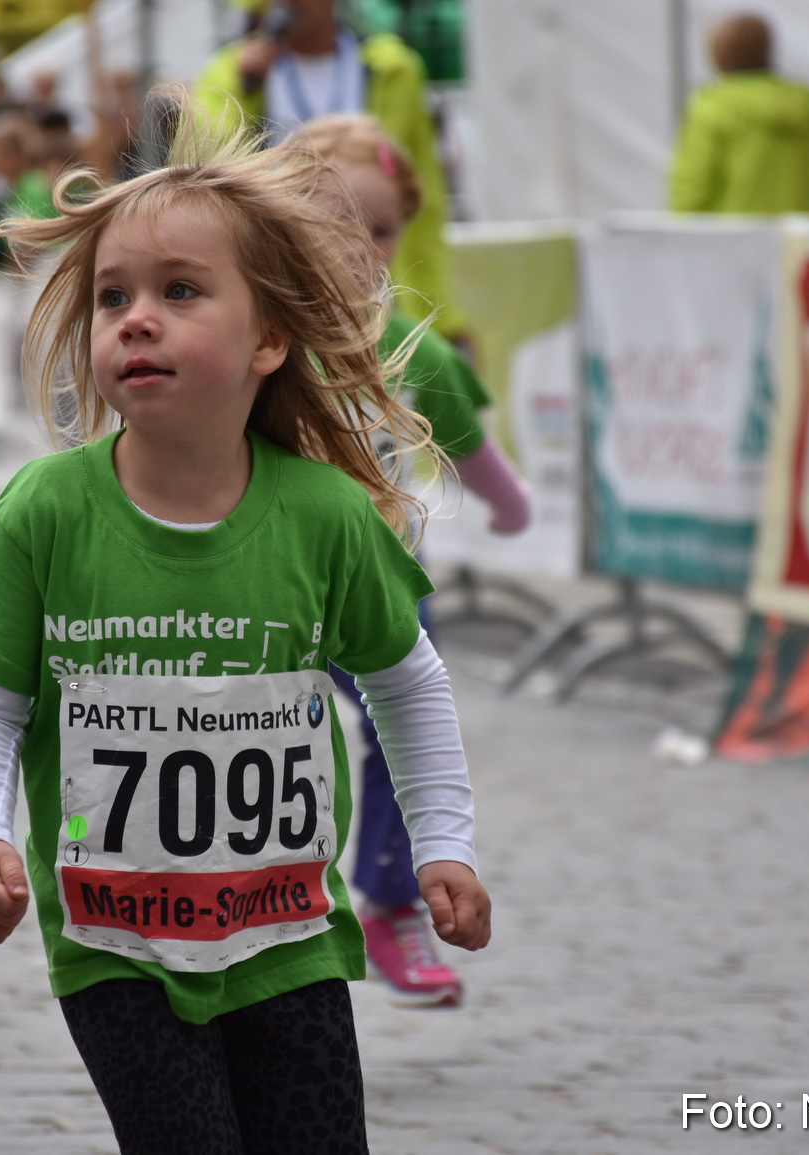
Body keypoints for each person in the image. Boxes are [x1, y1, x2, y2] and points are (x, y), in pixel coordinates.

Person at [0, 103, 492, 1153]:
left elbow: (407, 682)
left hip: (290, 938)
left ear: (268, 337)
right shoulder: (44, 511)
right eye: (113, 296)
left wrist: (442, 845)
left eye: (180, 291)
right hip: (115, 946)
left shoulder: (325, 516)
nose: (136, 319)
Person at [289, 112, 528, 1006]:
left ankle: (390, 902)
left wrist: (512, 507)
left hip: (382, 582)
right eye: (333, 223)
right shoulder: (252, 336)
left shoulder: (408, 345)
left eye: (381, 228)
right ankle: (249, 898)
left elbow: (471, 445)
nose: (360, 248)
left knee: (406, 724)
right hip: (265, 582)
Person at [194, 0, 467, 341]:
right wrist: (243, 89)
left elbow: (425, 203)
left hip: (385, 293)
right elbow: (206, 177)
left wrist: (438, 310)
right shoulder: (229, 73)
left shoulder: (395, 69)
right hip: (285, 289)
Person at [669, 12, 809, 215]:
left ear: (716, 56)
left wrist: (681, 232)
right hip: (798, 234)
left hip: (736, 234)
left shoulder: (712, 110)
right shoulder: (808, 112)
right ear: (767, 50)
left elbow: (692, 186)